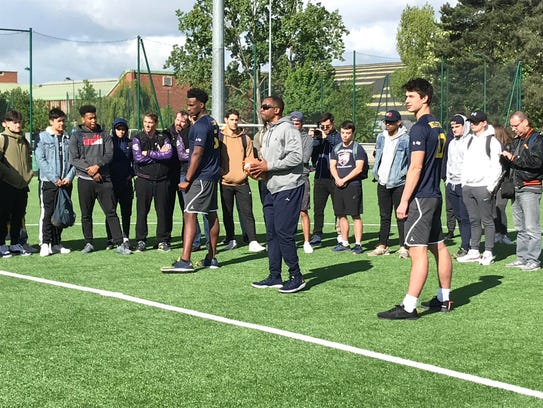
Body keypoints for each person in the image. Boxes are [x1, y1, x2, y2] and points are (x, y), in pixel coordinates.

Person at [377, 78, 453, 320]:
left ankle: (409, 306)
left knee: (416, 250)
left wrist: (404, 201)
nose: (407, 100)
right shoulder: (438, 127)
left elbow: (416, 168)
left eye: (411, 96)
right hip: (434, 195)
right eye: (407, 96)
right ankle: (444, 297)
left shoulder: (419, 128)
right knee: (438, 246)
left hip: (421, 197)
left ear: (425, 98)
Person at [161, 88, 221, 272]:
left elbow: (197, 153)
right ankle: (211, 258)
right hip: (211, 176)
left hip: (201, 177)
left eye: (191, 105)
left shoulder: (200, 126)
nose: (188, 108)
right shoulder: (213, 122)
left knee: (189, 213)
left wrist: (187, 178)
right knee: (211, 213)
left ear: (201, 105)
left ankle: (185, 260)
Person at [250, 96, 305, 293]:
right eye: (261, 106)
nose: (261, 109)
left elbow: (298, 156)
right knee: (272, 233)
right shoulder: (267, 131)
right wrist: (259, 170)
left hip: (288, 186)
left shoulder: (288, 128)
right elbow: (267, 159)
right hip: (271, 187)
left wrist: (269, 166)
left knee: (284, 232)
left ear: (277, 110)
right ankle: (275, 275)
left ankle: (296, 276)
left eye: (266, 107)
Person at [69, 105, 132, 255]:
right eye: (90, 118)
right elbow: (74, 158)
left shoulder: (104, 135)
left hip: (104, 180)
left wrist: (98, 166)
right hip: (85, 180)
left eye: (94, 117)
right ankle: (89, 243)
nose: (93, 120)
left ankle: (119, 244)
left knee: (111, 212)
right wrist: (90, 171)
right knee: (86, 214)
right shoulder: (76, 136)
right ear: (83, 119)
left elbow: (109, 154)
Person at [456, 111, 502, 265]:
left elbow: (497, 166)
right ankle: (474, 250)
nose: (473, 124)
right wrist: (464, 183)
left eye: (476, 122)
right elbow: (465, 163)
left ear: (484, 123)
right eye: (471, 121)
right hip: (468, 186)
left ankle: (488, 252)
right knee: (473, 220)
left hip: (483, 187)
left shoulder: (492, 142)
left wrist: (490, 187)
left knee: (487, 220)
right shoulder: (468, 140)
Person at [219, 109, 265, 253]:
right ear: (226, 120)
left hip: (242, 183)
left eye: (236, 119)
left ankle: (253, 241)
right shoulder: (219, 138)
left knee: (247, 213)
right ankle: (231, 239)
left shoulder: (245, 139)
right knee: (227, 213)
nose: (234, 122)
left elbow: (250, 159)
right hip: (225, 183)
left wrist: (248, 167)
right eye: (231, 119)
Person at [502, 111, 543, 271]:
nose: (513, 129)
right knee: (520, 226)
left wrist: (514, 158)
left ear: (525, 122)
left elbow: (537, 162)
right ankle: (522, 257)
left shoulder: (537, 139)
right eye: (512, 126)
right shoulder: (518, 140)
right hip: (517, 187)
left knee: (532, 226)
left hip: (530, 186)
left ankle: (533, 261)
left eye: (516, 125)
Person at [34, 108, 76, 256]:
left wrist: (69, 177)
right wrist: (54, 178)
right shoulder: (42, 138)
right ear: (51, 121)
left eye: (63, 120)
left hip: (65, 183)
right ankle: (45, 243)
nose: (62, 124)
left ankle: (57, 243)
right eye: (59, 121)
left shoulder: (68, 138)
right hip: (49, 183)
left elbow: (74, 161)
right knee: (48, 213)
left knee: (61, 213)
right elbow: (41, 160)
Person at [369, 110, 410, 258]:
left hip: (399, 182)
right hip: (382, 181)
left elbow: (410, 160)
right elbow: (378, 154)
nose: (387, 124)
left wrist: (403, 174)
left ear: (398, 123)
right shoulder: (381, 137)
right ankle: (382, 245)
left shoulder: (406, 139)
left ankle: (404, 246)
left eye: (391, 122)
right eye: (386, 121)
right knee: (384, 215)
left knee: (401, 215)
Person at [132, 113, 173, 252]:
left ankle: (163, 240)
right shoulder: (137, 138)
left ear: (155, 124)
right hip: (144, 180)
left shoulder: (163, 137)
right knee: (142, 212)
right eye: (145, 122)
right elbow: (138, 158)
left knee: (163, 212)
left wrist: (148, 153)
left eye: (150, 122)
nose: (147, 125)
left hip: (162, 181)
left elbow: (168, 155)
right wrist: (157, 154)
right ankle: (141, 241)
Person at [168, 111, 208, 251]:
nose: (180, 123)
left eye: (183, 121)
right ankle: (195, 241)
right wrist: (193, 152)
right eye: (178, 119)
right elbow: (182, 155)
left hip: (198, 174)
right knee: (189, 209)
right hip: (183, 173)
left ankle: (205, 242)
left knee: (203, 210)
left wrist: (190, 152)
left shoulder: (202, 130)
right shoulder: (180, 134)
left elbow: (199, 153)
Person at [329, 120, 367, 255]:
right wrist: (337, 179)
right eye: (343, 133)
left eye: (348, 133)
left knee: (355, 215)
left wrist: (344, 179)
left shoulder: (358, 148)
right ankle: (345, 242)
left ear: (352, 133)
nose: (345, 135)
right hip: (338, 186)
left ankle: (358, 244)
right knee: (340, 214)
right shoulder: (337, 148)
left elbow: (359, 168)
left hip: (353, 186)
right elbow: (332, 165)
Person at [0, 110, 34, 257]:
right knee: (2, 216)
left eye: (19, 122)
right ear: (6, 123)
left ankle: (15, 244)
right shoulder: (2, 139)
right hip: (6, 184)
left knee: (18, 216)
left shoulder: (24, 140)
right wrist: (6, 175)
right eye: (14, 122)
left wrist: (28, 175)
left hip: (22, 185)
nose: (18, 124)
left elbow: (28, 160)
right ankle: (1, 244)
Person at [308, 112, 341, 246]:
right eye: (323, 126)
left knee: (338, 208)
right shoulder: (319, 137)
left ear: (332, 124)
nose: (325, 128)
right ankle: (317, 233)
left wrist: (325, 137)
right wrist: (314, 139)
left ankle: (340, 234)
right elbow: (312, 154)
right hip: (320, 177)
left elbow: (338, 147)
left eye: (327, 126)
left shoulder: (338, 136)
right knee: (318, 208)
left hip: (335, 178)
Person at [444, 114, 471, 258]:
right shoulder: (452, 143)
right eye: (452, 127)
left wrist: (465, 182)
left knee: (466, 217)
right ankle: (465, 245)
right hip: (452, 184)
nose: (454, 129)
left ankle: (467, 247)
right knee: (459, 217)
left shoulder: (470, 142)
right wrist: (448, 181)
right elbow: (449, 163)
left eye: (457, 126)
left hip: (464, 184)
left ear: (464, 126)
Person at [106, 118, 133, 249]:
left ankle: (126, 236)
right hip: (111, 183)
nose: (121, 131)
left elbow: (136, 161)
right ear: (114, 129)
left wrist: (131, 174)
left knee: (126, 212)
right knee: (111, 211)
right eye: (118, 129)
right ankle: (110, 238)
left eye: (123, 129)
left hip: (126, 183)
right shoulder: (109, 143)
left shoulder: (131, 143)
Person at [290, 111, 314, 254]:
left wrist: (287, 159)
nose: (294, 125)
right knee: (288, 212)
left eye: (297, 123)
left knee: (303, 211)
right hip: (287, 178)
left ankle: (306, 241)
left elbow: (304, 159)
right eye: (292, 123)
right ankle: (289, 240)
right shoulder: (286, 137)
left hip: (301, 176)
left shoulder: (308, 139)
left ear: (301, 123)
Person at [492, 124, 514, 246]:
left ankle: (503, 234)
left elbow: (507, 166)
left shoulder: (507, 147)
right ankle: (496, 233)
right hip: (493, 183)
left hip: (504, 183)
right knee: (493, 209)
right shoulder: (491, 147)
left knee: (500, 207)